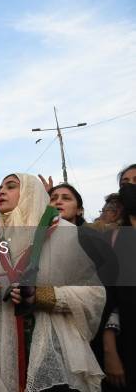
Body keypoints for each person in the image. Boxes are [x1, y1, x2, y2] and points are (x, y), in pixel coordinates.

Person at [0, 173, 105, 392]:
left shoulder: (67, 235)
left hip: (52, 354)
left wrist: (43, 296)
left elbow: (95, 295)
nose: (1, 191)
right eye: (0, 187)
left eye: (10, 186)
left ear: (31, 193)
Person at [99, 164, 136, 391]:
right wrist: (110, 351)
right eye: (126, 183)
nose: (131, 186)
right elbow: (108, 301)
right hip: (127, 347)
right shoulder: (112, 240)